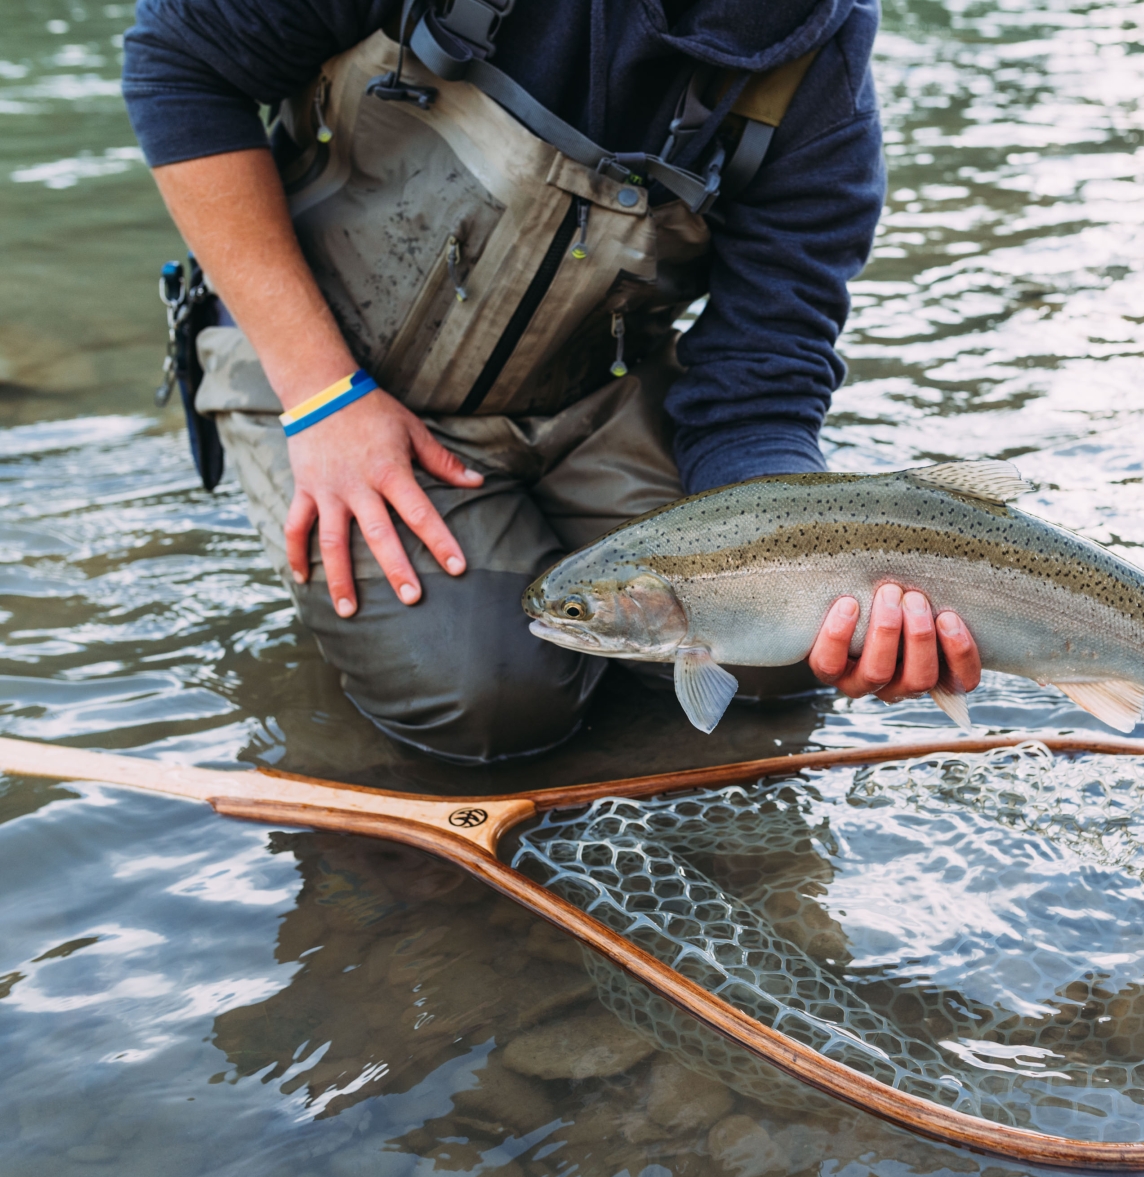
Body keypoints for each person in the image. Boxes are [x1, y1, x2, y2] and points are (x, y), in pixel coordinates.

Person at [122, 0, 980, 764]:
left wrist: (810, 578)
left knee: (780, 663)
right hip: (322, 371)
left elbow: (763, 381)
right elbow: (177, 63)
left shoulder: (819, 72)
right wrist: (320, 394)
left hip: (589, 399)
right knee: (485, 705)